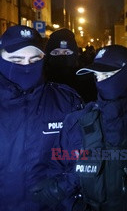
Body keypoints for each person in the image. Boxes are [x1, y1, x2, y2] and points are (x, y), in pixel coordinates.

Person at [31, 45, 127, 210]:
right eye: (97, 77)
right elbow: (57, 167)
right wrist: (75, 206)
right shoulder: (78, 121)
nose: (101, 82)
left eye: (107, 75)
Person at [0, 25, 82, 211]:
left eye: (34, 59)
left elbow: (84, 156)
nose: (27, 67)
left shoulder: (66, 101)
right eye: (16, 59)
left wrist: (63, 187)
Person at [44, 28, 97, 102]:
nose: (62, 57)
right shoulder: (39, 82)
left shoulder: (87, 82)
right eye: (56, 53)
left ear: (75, 55)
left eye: (67, 53)